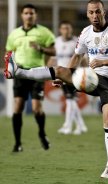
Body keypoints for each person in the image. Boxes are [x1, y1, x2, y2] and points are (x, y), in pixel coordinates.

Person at [4, 0, 108, 179]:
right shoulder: (85, 33)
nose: (95, 16)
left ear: (104, 13)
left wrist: (104, 61)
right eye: (91, 12)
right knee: (61, 70)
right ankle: (19, 72)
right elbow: (77, 55)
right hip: (91, 78)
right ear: (87, 14)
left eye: (98, 12)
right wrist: (65, 79)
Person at [4, 4, 55, 152]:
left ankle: (42, 133)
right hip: (20, 73)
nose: (29, 16)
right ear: (22, 15)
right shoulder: (14, 34)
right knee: (18, 106)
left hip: (37, 73)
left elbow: (54, 50)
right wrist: (8, 68)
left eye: (31, 13)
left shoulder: (43, 32)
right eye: (26, 13)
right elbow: (8, 54)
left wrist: (41, 49)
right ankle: (17, 143)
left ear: (35, 15)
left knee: (36, 109)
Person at [50, 21, 87, 135]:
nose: (66, 30)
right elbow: (53, 59)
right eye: (64, 28)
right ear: (60, 30)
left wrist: (86, 73)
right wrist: (49, 72)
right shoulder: (57, 42)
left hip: (73, 74)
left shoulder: (77, 42)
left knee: (70, 99)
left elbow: (84, 60)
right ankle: (81, 126)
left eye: (68, 28)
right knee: (70, 100)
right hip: (61, 74)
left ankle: (68, 126)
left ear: (71, 29)